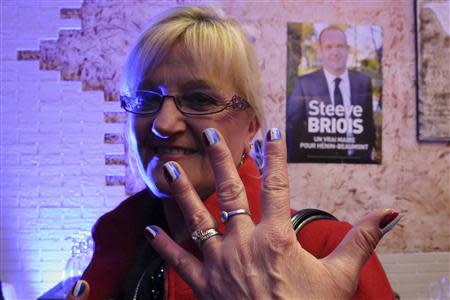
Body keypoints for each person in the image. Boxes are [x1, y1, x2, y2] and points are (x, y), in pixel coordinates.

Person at [67, 7, 400, 299]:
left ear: (251, 128)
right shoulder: (115, 237)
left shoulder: (324, 249)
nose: (163, 124)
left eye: (199, 99)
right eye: (146, 97)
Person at [286, 26, 376, 163]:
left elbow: (368, 124)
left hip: (358, 162)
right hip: (317, 164)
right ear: (320, 51)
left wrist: (367, 154)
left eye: (340, 46)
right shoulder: (304, 84)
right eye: (329, 47)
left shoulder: (363, 82)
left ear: (347, 49)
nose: (335, 52)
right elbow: (293, 129)